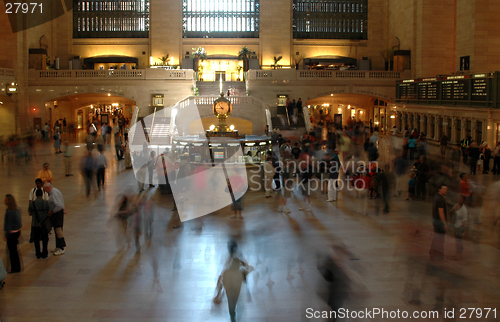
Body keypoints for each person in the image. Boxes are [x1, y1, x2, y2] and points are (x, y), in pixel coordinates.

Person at [214, 240, 251, 322]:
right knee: (237, 299)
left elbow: (221, 275)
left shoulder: (226, 258)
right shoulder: (239, 257)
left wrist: (218, 293)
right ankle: (234, 314)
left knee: (230, 300)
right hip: (237, 281)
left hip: (228, 282)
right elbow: (246, 267)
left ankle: (232, 315)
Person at [43, 183, 66, 256]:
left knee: (58, 230)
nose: (45, 191)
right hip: (57, 214)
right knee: (57, 230)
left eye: (44, 189)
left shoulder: (54, 194)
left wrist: (52, 211)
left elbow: (59, 206)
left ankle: (61, 248)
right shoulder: (55, 191)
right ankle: (58, 246)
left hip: (57, 214)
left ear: (47, 188)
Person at [28, 189, 50, 259]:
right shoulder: (46, 203)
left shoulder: (32, 204)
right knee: (45, 239)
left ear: (36, 195)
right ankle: (45, 252)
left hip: (35, 224)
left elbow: (30, 213)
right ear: (42, 195)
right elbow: (49, 212)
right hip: (44, 224)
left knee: (36, 239)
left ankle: (38, 253)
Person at [430, 185, 448, 261]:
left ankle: (432, 254)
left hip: (435, 221)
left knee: (436, 239)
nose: (445, 191)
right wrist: (445, 223)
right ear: (439, 189)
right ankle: (440, 257)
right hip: (440, 222)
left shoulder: (436, 197)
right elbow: (441, 212)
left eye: (446, 189)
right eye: (444, 189)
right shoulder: (441, 199)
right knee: (440, 240)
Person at [4, 194, 22, 273]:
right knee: (14, 251)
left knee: (12, 252)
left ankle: (15, 268)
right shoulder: (17, 209)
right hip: (17, 232)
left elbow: (8, 224)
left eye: (6, 200)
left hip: (11, 233)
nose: (4, 201)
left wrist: (6, 235)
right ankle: (17, 267)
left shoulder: (9, 211)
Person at [450, 195, 468, 260]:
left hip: (460, 226)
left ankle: (459, 254)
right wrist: (455, 209)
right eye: (459, 198)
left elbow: (465, 220)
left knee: (458, 241)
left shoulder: (464, 209)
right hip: (455, 225)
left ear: (463, 200)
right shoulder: (456, 205)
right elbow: (451, 212)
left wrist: (462, 229)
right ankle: (458, 252)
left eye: (460, 199)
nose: (459, 200)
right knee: (457, 240)